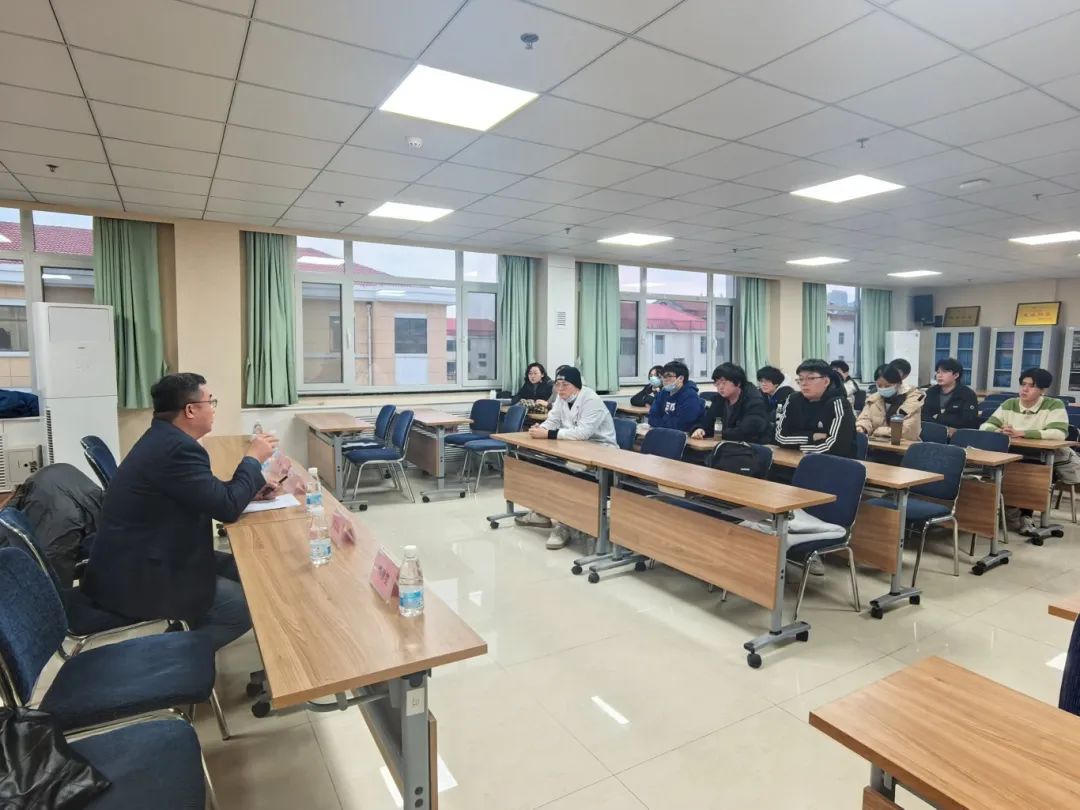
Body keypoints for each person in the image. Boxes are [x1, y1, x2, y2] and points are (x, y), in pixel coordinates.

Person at [83, 373, 282, 652]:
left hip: (152, 552)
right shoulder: (177, 449)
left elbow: (210, 494)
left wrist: (250, 490)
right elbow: (226, 508)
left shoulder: (164, 438)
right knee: (241, 607)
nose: (213, 409)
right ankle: (172, 658)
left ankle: (185, 631)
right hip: (141, 573)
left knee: (250, 571)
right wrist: (253, 458)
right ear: (190, 410)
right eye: (210, 402)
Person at [521, 366, 617, 549]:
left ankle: (565, 524)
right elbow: (553, 419)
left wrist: (549, 434)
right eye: (557, 384)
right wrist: (541, 428)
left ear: (577, 386)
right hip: (574, 448)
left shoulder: (591, 399)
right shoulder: (561, 397)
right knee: (542, 464)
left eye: (565, 385)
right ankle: (542, 513)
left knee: (568, 473)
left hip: (601, 452)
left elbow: (583, 433)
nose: (560, 389)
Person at [981, 367, 1079, 533]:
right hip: (1012, 454)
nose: (1025, 389)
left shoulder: (1054, 405)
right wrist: (1000, 431)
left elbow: (1058, 434)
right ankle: (1010, 514)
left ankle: (1025, 515)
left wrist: (1023, 433)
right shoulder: (1010, 404)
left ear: (1042, 390)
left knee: (1029, 475)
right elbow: (985, 426)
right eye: (1023, 384)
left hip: (1043, 457)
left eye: (1031, 386)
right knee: (1001, 472)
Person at [775, 359, 856, 457]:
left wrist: (799, 445)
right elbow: (779, 437)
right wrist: (812, 436)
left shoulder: (839, 404)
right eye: (801, 379)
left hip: (834, 463)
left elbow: (837, 447)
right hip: (795, 459)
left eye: (811, 378)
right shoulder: (793, 399)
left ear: (826, 381)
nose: (804, 383)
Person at [691, 362, 770, 443]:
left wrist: (717, 433)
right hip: (726, 444)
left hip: (753, 446)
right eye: (717, 383)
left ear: (738, 383)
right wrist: (700, 429)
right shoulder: (719, 400)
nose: (720, 387)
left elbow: (748, 431)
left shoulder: (754, 401)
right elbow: (707, 422)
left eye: (724, 383)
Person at [855, 363, 925, 441]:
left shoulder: (913, 400)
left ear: (898, 383)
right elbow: (865, 418)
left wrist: (879, 431)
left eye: (887, 386)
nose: (883, 389)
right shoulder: (873, 399)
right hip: (877, 444)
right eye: (879, 386)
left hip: (904, 446)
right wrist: (861, 428)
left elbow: (907, 431)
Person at [923, 357, 979, 434]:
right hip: (933, 432)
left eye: (944, 372)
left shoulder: (968, 394)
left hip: (959, 434)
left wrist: (939, 417)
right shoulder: (930, 392)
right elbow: (924, 415)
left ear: (956, 375)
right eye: (938, 372)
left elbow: (968, 419)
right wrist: (941, 429)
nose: (939, 375)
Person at [647, 361, 705, 433]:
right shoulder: (662, 393)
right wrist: (668, 420)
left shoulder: (690, 396)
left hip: (683, 436)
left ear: (681, 378)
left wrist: (662, 419)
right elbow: (651, 418)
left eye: (668, 376)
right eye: (663, 376)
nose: (664, 380)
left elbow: (681, 425)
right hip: (663, 433)